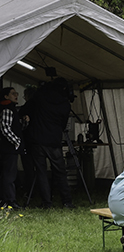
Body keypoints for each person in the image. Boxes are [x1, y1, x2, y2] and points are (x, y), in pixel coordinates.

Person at [21, 77, 73, 208]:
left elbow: (27, 108)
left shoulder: (40, 97)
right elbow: (63, 124)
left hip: (37, 139)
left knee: (41, 171)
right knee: (60, 171)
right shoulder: (65, 104)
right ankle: (66, 201)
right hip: (54, 140)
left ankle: (46, 202)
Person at [1, 87, 26, 208]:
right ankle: (9, 201)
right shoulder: (7, 108)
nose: (16, 95)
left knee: (8, 174)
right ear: (6, 97)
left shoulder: (10, 108)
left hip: (8, 147)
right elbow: (5, 128)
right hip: (8, 148)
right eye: (12, 93)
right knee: (9, 175)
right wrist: (17, 141)